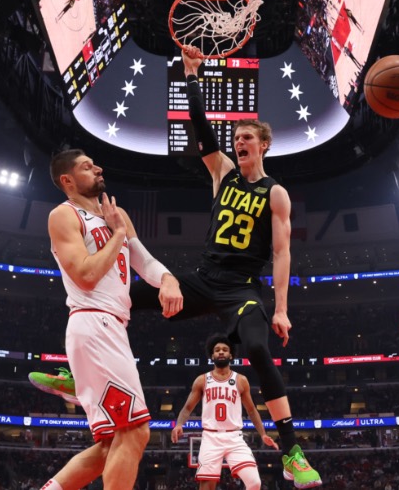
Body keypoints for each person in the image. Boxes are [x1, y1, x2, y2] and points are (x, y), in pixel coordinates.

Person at [34, 47, 321, 488]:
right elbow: (202, 131)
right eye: (237, 138)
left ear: (264, 145)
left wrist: (281, 307)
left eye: (248, 138)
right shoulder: (222, 172)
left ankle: (292, 451)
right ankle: (79, 375)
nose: (239, 143)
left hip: (241, 289)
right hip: (203, 280)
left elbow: (282, 254)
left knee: (259, 350)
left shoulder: (275, 193)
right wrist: (190, 76)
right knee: (114, 295)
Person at [41, 149, 183, 490]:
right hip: (93, 323)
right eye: (88, 167)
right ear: (68, 180)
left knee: (111, 444)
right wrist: (117, 234)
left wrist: (168, 279)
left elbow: (145, 262)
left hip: (112, 328)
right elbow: (85, 275)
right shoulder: (63, 215)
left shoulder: (115, 214)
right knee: (136, 430)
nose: (99, 168)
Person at [171, 333, 279, 490]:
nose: (221, 352)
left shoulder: (241, 380)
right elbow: (188, 407)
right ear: (212, 355)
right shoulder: (202, 380)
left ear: (231, 355)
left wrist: (263, 434)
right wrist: (179, 424)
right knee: (207, 486)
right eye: (217, 350)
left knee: (254, 483)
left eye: (224, 349)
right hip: (210, 437)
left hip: (235, 437)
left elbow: (251, 410)